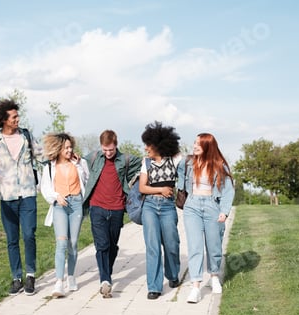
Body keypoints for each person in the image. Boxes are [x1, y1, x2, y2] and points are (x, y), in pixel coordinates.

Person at [0, 99, 42, 296]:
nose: (18, 119)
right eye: (14, 117)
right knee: (12, 239)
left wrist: (64, 154)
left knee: (28, 234)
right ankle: (16, 278)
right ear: (4, 120)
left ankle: (30, 275)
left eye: (17, 116)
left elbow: (42, 156)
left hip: (28, 195)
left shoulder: (26, 136)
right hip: (7, 197)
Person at [83, 130, 141, 298]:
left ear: (116, 145)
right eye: (105, 150)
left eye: (111, 150)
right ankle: (105, 280)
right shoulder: (93, 157)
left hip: (116, 208)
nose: (108, 153)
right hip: (97, 207)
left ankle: (106, 272)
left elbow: (146, 163)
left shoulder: (126, 159)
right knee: (102, 245)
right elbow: (77, 162)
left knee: (112, 246)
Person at [177, 133, 234, 303]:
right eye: (194, 143)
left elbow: (228, 190)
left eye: (198, 145)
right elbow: (180, 174)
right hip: (192, 205)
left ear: (208, 147)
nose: (194, 146)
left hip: (212, 206)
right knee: (195, 246)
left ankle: (214, 276)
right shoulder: (187, 163)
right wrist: (181, 187)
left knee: (213, 244)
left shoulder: (219, 166)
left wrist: (224, 211)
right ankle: (195, 287)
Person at [40, 133, 89, 298]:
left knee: (73, 244)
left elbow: (87, 180)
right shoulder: (49, 167)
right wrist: (56, 196)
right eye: (66, 148)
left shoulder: (80, 163)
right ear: (59, 149)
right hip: (59, 205)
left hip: (76, 204)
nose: (69, 150)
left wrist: (79, 164)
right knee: (61, 243)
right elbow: (45, 188)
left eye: (70, 147)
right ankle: (59, 283)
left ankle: (71, 276)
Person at [138, 121, 182, 300]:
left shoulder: (174, 159)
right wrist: (160, 190)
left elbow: (184, 156)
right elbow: (142, 187)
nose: (146, 148)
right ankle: (154, 287)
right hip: (149, 205)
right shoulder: (146, 162)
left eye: (149, 144)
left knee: (171, 243)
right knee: (152, 246)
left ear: (158, 144)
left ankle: (172, 275)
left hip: (167, 207)